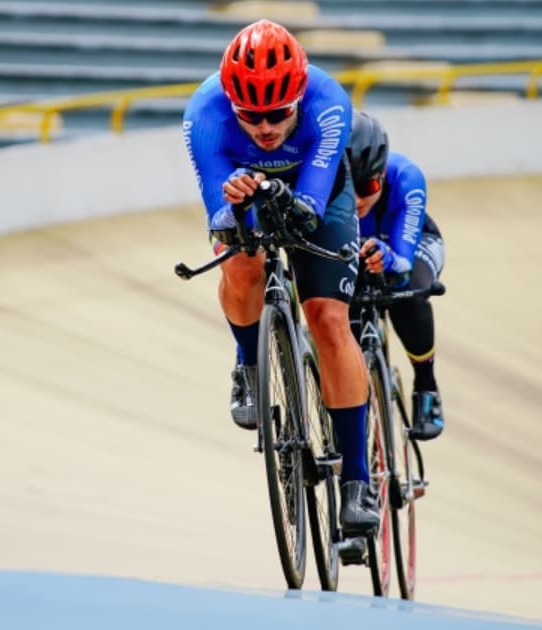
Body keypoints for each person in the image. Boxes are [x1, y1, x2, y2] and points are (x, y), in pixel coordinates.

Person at [181, 18, 378, 533]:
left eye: (277, 113)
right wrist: (237, 214)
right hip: (240, 192)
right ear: (231, 103)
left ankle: (357, 481)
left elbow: (311, 208)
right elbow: (218, 214)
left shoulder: (329, 101)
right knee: (240, 258)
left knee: (329, 320)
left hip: (320, 191)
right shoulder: (203, 113)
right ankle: (249, 364)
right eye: (251, 115)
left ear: (298, 97)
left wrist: (289, 203)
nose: (265, 128)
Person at [347, 111, 447, 440]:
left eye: (369, 186)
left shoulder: (406, 177)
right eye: (349, 189)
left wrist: (390, 259)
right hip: (358, 250)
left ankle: (426, 386)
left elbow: (403, 263)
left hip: (409, 244)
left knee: (409, 293)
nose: (359, 199)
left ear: (382, 174)